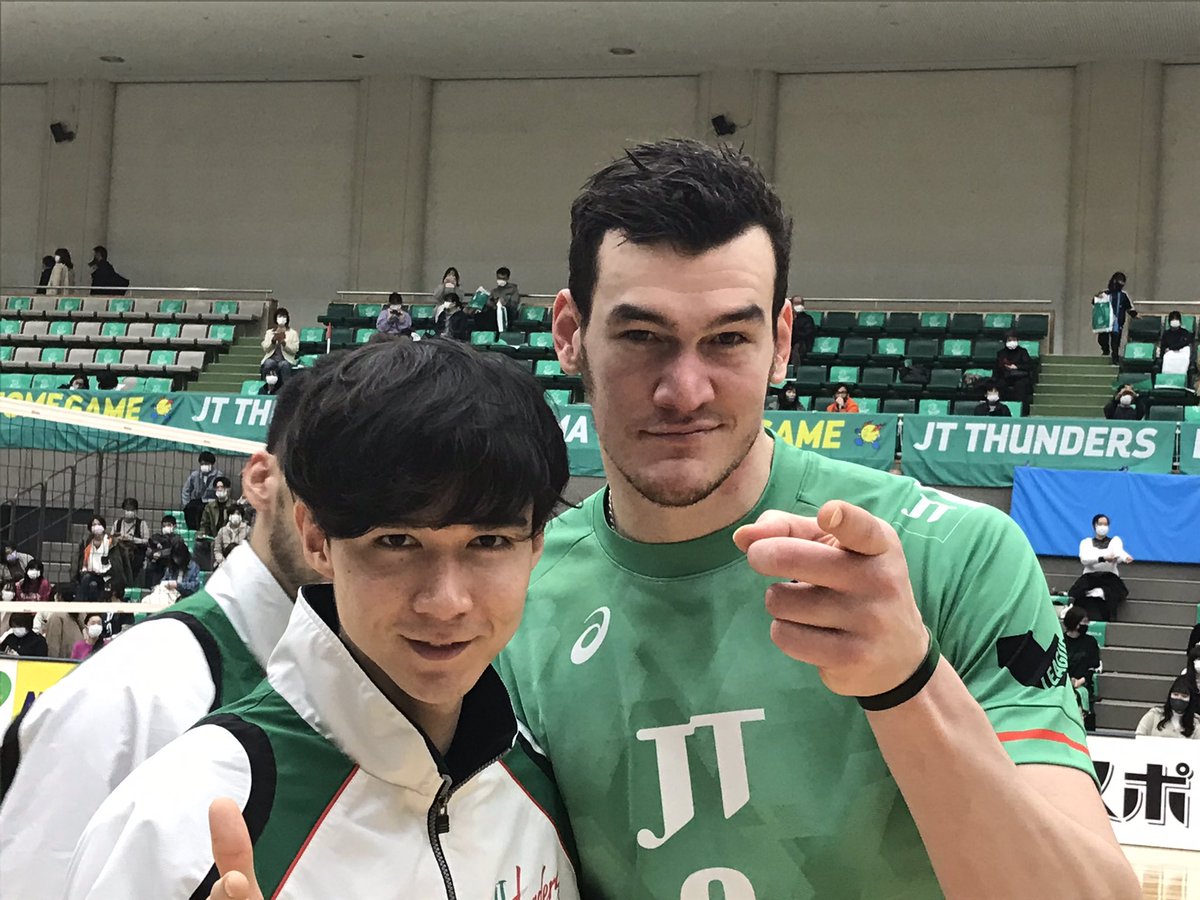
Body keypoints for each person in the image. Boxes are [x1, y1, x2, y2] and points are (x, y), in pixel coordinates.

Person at [486, 139, 1136, 898]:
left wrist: (907, 683)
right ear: (569, 333)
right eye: (641, 337)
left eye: (728, 339)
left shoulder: (955, 554)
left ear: (782, 342)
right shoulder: (511, 597)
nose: (685, 390)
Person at [67, 339, 580, 899]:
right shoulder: (178, 821)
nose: (446, 601)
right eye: (397, 541)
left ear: (535, 544)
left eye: (489, 541)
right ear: (316, 538)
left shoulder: (542, 789)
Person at [0, 372, 319, 900]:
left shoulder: (386, 694)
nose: (356, 516)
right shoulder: (131, 696)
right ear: (261, 479)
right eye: (331, 482)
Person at [1067, 513, 1132, 621]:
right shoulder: (1086, 543)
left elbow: (1119, 552)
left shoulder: (1115, 541)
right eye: (1100, 524)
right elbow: (1085, 559)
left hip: (1109, 577)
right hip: (1090, 577)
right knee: (1078, 592)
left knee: (1112, 593)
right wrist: (1103, 558)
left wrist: (1125, 557)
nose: (1103, 527)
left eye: (1106, 524)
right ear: (1094, 526)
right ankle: (1078, 619)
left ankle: (1110, 619)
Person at [1062, 605, 1101, 730]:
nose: (1086, 625)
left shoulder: (1090, 642)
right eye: (1084, 622)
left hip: (1083, 684)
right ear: (1075, 623)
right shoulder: (1061, 641)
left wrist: (1080, 681)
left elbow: (1093, 667)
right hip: (1063, 684)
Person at [1091, 271, 1137, 364]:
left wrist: (1135, 315)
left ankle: (1115, 357)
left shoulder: (1123, 295)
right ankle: (1105, 350)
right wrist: (1097, 297)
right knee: (1102, 338)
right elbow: (1094, 303)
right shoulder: (1104, 293)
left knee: (1115, 340)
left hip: (1117, 321)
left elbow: (1128, 308)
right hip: (1105, 321)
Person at [195, 476, 235, 570]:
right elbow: (204, 524)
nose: (219, 489)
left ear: (228, 489)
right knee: (199, 545)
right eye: (217, 487)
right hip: (213, 537)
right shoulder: (209, 507)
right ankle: (205, 570)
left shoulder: (234, 505)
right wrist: (202, 534)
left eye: (222, 487)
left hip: (229, 538)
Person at [111, 496, 151, 586]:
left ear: (136, 511)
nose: (129, 512)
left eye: (132, 510)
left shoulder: (141, 524)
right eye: (127, 509)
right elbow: (111, 538)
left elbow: (146, 541)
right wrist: (118, 538)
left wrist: (132, 539)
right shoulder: (117, 523)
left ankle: (128, 582)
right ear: (123, 510)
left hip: (136, 552)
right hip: (119, 550)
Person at [182, 450, 224, 531]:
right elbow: (186, 489)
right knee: (190, 508)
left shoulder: (218, 475)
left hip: (212, 500)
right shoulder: (195, 475)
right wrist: (186, 503)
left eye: (206, 464)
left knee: (204, 511)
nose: (204, 466)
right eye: (202, 464)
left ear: (212, 464)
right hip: (199, 500)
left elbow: (221, 489)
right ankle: (192, 530)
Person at [41, 584, 83, 659]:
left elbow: (53, 647)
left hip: (65, 662)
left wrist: (52, 662)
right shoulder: (80, 613)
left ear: (58, 597)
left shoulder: (57, 616)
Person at [77, 515, 113, 601]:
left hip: (105, 576)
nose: (96, 527)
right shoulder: (87, 542)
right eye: (94, 525)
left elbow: (114, 561)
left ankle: (79, 602)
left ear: (103, 526)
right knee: (90, 582)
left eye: (99, 524)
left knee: (87, 579)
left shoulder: (110, 541)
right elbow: (84, 560)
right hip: (91, 574)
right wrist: (84, 568)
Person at [259, 306, 299, 383]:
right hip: (272, 358)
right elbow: (265, 348)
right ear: (276, 318)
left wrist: (284, 344)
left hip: (286, 359)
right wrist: (273, 342)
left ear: (287, 319)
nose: (282, 318)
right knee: (268, 363)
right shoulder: (269, 332)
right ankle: (266, 386)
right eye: (280, 316)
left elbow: (295, 350)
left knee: (284, 364)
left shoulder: (293, 333)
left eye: (284, 316)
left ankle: (286, 387)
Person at [145, 514, 186, 587]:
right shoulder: (156, 537)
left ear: (174, 526)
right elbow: (148, 550)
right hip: (157, 566)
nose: (165, 528)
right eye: (164, 526)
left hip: (171, 566)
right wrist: (153, 554)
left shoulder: (178, 539)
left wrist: (161, 554)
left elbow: (175, 551)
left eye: (168, 525)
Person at [993, 333, 1033, 402]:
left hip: (1020, 377)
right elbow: (997, 367)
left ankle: (1020, 405)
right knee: (1000, 384)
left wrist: (1017, 367)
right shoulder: (1001, 353)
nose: (1012, 342)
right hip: (1006, 376)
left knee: (1020, 385)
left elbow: (1028, 365)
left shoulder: (1023, 352)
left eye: (1014, 340)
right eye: (1009, 340)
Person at [1159, 309, 1194, 377]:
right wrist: (1166, 350)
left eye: (1176, 320)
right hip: (1170, 355)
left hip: (1182, 354)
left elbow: (1186, 343)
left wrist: (1172, 348)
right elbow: (1163, 347)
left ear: (1180, 321)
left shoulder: (1185, 333)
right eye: (1173, 320)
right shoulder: (1166, 334)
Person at [789, 296, 815, 364]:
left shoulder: (808, 319)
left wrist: (794, 335)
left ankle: (795, 367)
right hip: (788, 341)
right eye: (796, 303)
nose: (798, 306)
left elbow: (807, 333)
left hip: (802, 343)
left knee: (797, 347)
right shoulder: (787, 317)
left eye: (800, 303)